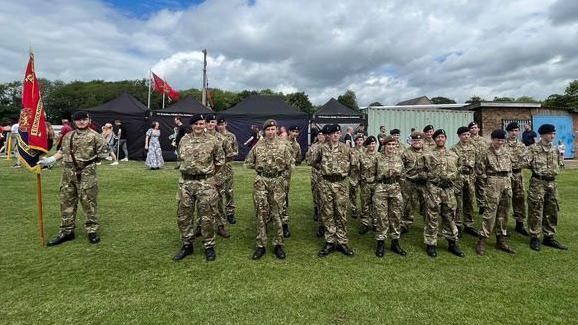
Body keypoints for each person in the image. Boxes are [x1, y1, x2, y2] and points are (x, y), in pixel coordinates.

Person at [39, 111, 110, 246]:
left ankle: (92, 231)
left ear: (89, 120)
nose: (81, 122)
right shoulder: (68, 135)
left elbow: (104, 152)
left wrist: (89, 163)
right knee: (66, 202)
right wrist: (51, 159)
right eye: (78, 120)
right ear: (74, 121)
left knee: (89, 203)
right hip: (68, 174)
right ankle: (67, 231)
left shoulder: (95, 136)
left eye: (84, 119)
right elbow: (62, 151)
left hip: (86, 175)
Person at [173, 114, 225, 261]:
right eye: (196, 124)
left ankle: (209, 246)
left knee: (207, 217)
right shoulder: (184, 139)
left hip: (205, 184)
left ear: (205, 125)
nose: (198, 126)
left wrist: (208, 175)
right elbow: (181, 157)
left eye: (201, 124)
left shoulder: (213, 140)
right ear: (191, 125)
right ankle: (187, 245)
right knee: (184, 216)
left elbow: (220, 160)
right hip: (186, 183)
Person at [245, 119, 294, 260]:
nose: (271, 132)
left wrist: (282, 178)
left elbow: (290, 164)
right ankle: (261, 245)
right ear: (264, 131)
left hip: (278, 182)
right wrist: (261, 171)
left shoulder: (284, 145)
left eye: (273, 129)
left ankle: (278, 244)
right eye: (268, 130)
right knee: (261, 213)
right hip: (261, 182)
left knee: (277, 212)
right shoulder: (258, 146)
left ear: (276, 130)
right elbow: (248, 162)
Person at [309, 124, 357, 257]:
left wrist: (345, 174)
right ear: (328, 135)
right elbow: (313, 161)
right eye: (333, 133)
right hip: (326, 183)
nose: (335, 135)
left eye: (338, 133)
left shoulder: (346, 149)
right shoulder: (321, 148)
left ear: (340, 134)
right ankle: (330, 241)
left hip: (340, 184)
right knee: (327, 212)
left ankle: (342, 242)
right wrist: (324, 170)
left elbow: (354, 164)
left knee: (341, 213)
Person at [423, 129, 465, 258]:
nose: (440, 139)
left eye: (442, 137)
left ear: (445, 138)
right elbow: (421, 171)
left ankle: (452, 243)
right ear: (434, 140)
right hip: (434, 189)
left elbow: (459, 172)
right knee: (432, 216)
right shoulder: (428, 155)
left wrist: (456, 186)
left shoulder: (453, 155)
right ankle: (431, 244)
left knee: (449, 216)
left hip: (448, 190)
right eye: (438, 137)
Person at [474, 129, 516, 255]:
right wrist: (488, 182)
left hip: (506, 182)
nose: (500, 142)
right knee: (490, 212)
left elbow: (510, 167)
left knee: (504, 213)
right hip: (492, 182)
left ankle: (501, 239)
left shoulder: (506, 151)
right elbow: (479, 170)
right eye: (498, 139)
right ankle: (482, 239)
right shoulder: (485, 152)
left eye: (502, 140)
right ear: (492, 139)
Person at [526, 124, 568, 251]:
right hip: (538, 182)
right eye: (550, 133)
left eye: (554, 134)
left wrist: (562, 155)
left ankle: (549, 237)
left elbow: (560, 164)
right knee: (536, 209)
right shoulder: (533, 149)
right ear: (543, 134)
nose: (552, 136)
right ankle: (535, 237)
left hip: (552, 183)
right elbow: (526, 163)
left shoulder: (555, 149)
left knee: (552, 209)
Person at [373, 135, 406, 257]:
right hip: (381, 189)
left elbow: (402, 175)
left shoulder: (399, 159)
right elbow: (372, 174)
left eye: (393, 145)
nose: (391, 147)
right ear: (384, 146)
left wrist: (400, 189)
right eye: (389, 145)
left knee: (396, 216)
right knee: (381, 217)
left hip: (395, 188)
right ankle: (380, 243)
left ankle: (395, 242)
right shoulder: (378, 158)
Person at [205, 114, 232, 238]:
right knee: (202, 202)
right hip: (202, 176)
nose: (210, 124)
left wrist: (219, 170)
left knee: (219, 201)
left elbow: (230, 155)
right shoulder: (201, 138)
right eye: (208, 122)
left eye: (212, 122)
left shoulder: (222, 139)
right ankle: (201, 227)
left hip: (217, 176)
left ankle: (220, 226)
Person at [450, 126, 479, 237]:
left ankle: (469, 224)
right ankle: (457, 225)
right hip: (459, 178)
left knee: (470, 202)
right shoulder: (454, 149)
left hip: (470, 178)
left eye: (468, 134)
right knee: (458, 202)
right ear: (459, 136)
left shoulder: (473, 148)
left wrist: (475, 176)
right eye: (464, 135)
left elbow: (477, 163)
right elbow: (453, 166)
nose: (466, 136)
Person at [400, 132, 428, 234]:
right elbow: (401, 168)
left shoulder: (428, 152)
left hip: (424, 183)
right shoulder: (405, 153)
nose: (417, 142)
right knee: (408, 204)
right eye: (415, 140)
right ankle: (405, 224)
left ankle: (429, 225)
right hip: (410, 183)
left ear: (423, 141)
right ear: (411, 141)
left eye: (419, 140)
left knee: (427, 204)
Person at [505, 122, 529, 235]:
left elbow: (526, 160)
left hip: (518, 174)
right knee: (505, 199)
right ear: (508, 132)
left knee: (519, 199)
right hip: (506, 175)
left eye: (516, 130)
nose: (514, 133)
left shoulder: (521, 145)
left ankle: (519, 224)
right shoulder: (503, 144)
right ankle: (502, 225)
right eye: (511, 131)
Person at [280, 125, 302, 237]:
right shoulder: (281, 142)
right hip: (276, 174)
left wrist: (291, 165)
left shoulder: (297, 145)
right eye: (293, 131)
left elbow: (298, 159)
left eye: (297, 132)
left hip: (286, 175)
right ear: (289, 132)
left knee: (284, 197)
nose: (295, 134)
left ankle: (284, 224)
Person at [217, 116, 239, 224]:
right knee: (219, 192)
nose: (220, 126)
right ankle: (220, 214)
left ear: (226, 124)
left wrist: (227, 156)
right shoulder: (214, 137)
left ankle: (230, 213)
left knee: (229, 191)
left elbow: (236, 151)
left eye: (222, 124)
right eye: (219, 124)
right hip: (217, 169)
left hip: (227, 167)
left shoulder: (231, 136)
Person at [306, 128, 326, 237]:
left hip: (324, 175)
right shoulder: (313, 146)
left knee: (323, 196)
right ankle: (316, 209)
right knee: (315, 192)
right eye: (319, 135)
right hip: (315, 173)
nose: (321, 136)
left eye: (322, 135)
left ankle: (322, 214)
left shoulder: (327, 146)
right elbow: (308, 159)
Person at [358, 136, 378, 235]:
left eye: (373, 143)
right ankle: (365, 223)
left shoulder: (379, 156)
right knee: (365, 204)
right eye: (370, 143)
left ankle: (375, 223)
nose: (371, 145)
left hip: (376, 184)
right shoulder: (362, 156)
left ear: (376, 144)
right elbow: (358, 169)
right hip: (365, 184)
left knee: (375, 204)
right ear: (367, 144)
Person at [469, 121, 489, 215]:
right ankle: (469, 207)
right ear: (470, 130)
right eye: (472, 128)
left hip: (482, 168)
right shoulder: (467, 140)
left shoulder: (484, 141)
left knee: (481, 188)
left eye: (475, 127)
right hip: (471, 169)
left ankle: (482, 206)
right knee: (470, 189)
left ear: (478, 129)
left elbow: (488, 154)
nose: (474, 129)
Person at [349, 134, 365, 220]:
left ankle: (364, 209)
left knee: (364, 193)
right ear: (355, 141)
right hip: (354, 174)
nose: (359, 141)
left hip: (363, 175)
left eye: (361, 140)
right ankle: (354, 208)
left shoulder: (366, 150)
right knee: (353, 193)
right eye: (358, 140)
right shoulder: (351, 150)